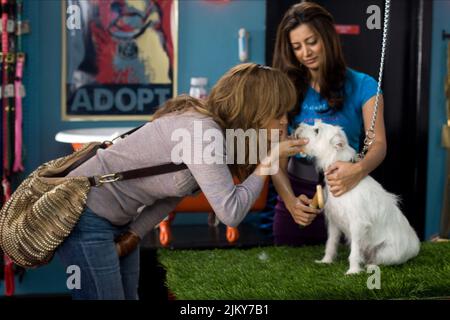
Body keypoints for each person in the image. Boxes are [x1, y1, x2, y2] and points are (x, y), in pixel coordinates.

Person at [56, 63, 308, 300]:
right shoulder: (204, 133)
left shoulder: (214, 130)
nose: (284, 120)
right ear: (254, 110)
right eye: (277, 112)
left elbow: (170, 193)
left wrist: (134, 234)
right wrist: (267, 163)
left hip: (120, 221)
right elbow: (231, 213)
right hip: (84, 212)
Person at [271, 2, 387, 246]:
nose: (306, 52)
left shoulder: (365, 86)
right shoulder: (285, 90)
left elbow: (378, 143)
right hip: (296, 196)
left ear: (328, 37)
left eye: (311, 41)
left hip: (347, 192)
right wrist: (291, 202)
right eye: (297, 47)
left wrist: (358, 170)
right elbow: (277, 159)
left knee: (345, 274)